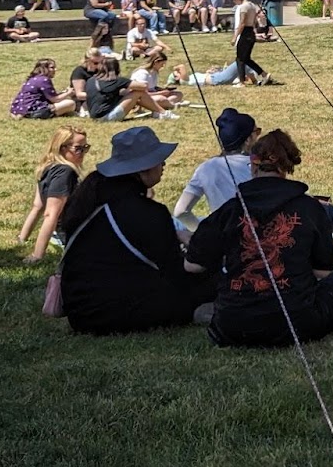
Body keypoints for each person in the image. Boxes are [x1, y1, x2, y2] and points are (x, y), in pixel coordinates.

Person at [184, 128, 333, 347]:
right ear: (286, 168)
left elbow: (192, 265)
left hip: (231, 326)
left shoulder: (230, 209)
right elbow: (323, 271)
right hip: (294, 323)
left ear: (253, 166)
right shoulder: (309, 208)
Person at [172, 108, 333, 254]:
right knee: (322, 210)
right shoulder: (258, 164)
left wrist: (208, 226)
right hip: (278, 230)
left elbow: (181, 211)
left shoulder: (204, 169)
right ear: (248, 140)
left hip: (237, 239)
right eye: (256, 133)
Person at [55, 126, 215, 335]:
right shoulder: (147, 212)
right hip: (119, 310)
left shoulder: (92, 200)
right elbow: (175, 271)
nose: (163, 165)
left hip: (80, 310)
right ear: (142, 168)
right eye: (159, 160)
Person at [17, 126, 90, 262]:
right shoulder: (65, 173)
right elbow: (51, 214)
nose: (83, 152)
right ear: (62, 148)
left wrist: (22, 238)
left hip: (60, 232)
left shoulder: (47, 167)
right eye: (78, 148)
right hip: (71, 233)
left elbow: (37, 206)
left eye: (85, 148)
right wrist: (37, 256)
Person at [85, 56, 177, 123]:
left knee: (128, 93)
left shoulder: (91, 80)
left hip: (94, 117)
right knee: (137, 92)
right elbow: (143, 86)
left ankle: (157, 111)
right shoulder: (117, 80)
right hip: (107, 117)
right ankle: (162, 112)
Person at [11, 58, 79, 119]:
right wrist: (68, 93)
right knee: (71, 103)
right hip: (35, 110)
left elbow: (49, 96)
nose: (55, 69)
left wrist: (64, 92)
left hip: (20, 108)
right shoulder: (44, 80)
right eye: (52, 68)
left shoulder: (33, 79)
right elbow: (55, 99)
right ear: (44, 69)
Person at [232, 0, 271, 86]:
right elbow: (254, 21)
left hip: (245, 32)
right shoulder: (253, 6)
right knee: (246, 58)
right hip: (251, 33)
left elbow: (242, 23)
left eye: (235, 1)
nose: (236, 3)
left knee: (240, 59)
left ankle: (241, 82)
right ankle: (263, 74)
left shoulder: (244, 7)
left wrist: (235, 37)